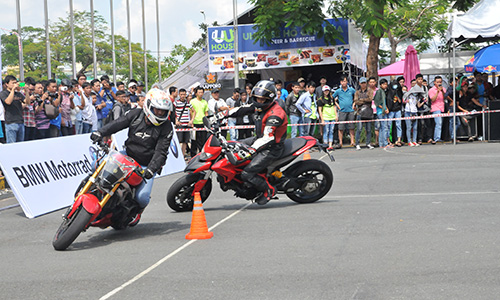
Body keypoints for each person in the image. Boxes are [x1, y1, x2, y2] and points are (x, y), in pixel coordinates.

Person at [90, 88, 174, 225]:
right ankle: (89, 190)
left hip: (145, 165)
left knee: (142, 197)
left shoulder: (166, 127)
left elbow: (161, 151)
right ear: (148, 106)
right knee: (97, 165)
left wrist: (151, 169)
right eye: (157, 109)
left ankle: (137, 213)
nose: (159, 113)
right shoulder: (135, 114)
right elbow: (117, 124)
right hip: (127, 156)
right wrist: (100, 132)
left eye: (163, 111)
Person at [226, 80, 288, 205]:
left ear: (269, 99)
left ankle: (269, 190)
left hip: (272, 147)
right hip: (258, 139)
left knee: (247, 173)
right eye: (256, 98)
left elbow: (268, 137)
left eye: (262, 99)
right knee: (232, 145)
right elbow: (240, 110)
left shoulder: (275, 113)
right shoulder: (258, 107)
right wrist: (219, 116)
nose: (259, 101)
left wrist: (251, 150)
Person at [0, 75, 28, 143]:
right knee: (11, 145)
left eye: (16, 83)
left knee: (20, 144)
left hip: (20, 122)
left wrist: (26, 91)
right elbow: (8, 102)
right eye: (13, 83)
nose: (15, 85)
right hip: (10, 122)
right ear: (6, 84)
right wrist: (12, 90)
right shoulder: (3, 93)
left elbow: (27, 102)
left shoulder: (18, 94)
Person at [333, 75, 356, 148]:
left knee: (351, 127)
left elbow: (356, 97)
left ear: (347, 82)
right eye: (342, 81)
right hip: (342, 111)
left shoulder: (351, 90)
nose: (344, 83)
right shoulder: (338, 91)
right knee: (341, 127)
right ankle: (340, 142)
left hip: (350, 110)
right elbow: (332, 98)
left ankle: (352, 141)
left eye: (345, 81)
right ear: (340, 82)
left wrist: (354, 104)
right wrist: (337, 105)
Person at [353, 77, 374, 150]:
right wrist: (364, 101)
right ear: (359, 83)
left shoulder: (370, 91)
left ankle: (368, 143)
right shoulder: (357, 92)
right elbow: (356, 101)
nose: (363, 84)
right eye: (362, 83)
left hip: (368, 112)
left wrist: (361, 100)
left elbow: (370, 99)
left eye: (364, 83)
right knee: (359, 129)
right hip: (360, 112)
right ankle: (357, 144)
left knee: (368, 129)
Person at [174, 88, 194, 159]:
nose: (183, 96)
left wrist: (191, 120)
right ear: (179, 95)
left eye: (184, 94)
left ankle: (182, 155)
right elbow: (173, 112)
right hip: (180, 124)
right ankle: (178, 156)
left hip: (187, 124)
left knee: (186, 141)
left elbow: (193, 111)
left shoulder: (188, 103)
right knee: (179, 141)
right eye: (181, 94)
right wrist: (176, 120)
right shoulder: (176, 103)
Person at [190, 86, 209, 157]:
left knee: (203, 141)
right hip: (195, 123)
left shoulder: (204, 102)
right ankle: (193, 156)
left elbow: (206, 113)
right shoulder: (192, 101)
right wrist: (191, 122)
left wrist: (206, 122)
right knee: (194, 141)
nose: (201, 94)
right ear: (196, 93)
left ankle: (202, 155)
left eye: (202, 92)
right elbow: (190, 112)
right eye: (199, 92)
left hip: (202, 124)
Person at [317, 85, 337, 150]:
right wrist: (322, 119)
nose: (326, 92)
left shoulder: (331, 98)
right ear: (323, 91)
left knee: (331, 131)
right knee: (326, 131)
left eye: (327, 90)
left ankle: (330, 145)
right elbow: (320, 110)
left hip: (332, 117)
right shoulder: (321, 100)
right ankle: (325, 144)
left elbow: (334, 107)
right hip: (326, 117)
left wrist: (336, 115)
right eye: (325, 91)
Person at [428, 76, 447, 144]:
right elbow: (432, 99)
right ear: (434, 82)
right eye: (437, 82)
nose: (439, 83)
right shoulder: (431, 90)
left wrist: (442, 91)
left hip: (442, 108)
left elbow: (446, 97)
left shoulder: (443, 89)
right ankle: (437, 138)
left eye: (440, 82)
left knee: (440, 123)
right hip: (435, 108)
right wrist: (437, 92)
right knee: (438, 123)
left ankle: (438, 136)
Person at [374, 79, 390, 149]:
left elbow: (383, 102)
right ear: (380, 85)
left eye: (386, 84)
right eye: (384, 84)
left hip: (383, 111)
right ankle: (385, 143)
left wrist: (386, 108)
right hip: (380, 112)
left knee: (382, 128)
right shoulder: (379, 92)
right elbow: (377, 103)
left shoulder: (383, 92)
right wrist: (384, 108)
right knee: (384, 127)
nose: (385, 86)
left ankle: (381, 144)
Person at [386, 80, 403, 147]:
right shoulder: (388, 91)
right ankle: (388, 139)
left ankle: (399, 140)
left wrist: (399, 98)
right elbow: (388, 100)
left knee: (398, 125)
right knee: (389, 125)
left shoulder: (399, 91)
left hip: (398, 109)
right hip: (391, 110)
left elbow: (401, 100)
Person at [368, 76, 379, 147]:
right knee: (368, 127)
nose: (372, 83)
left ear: (375, 82)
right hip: (368, 111)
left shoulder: (378, 90)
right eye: (370, 82)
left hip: (377, 110)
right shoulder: (367, 90)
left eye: (373, 82)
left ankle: (376, 141)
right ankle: (369, 141)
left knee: (377, 127)